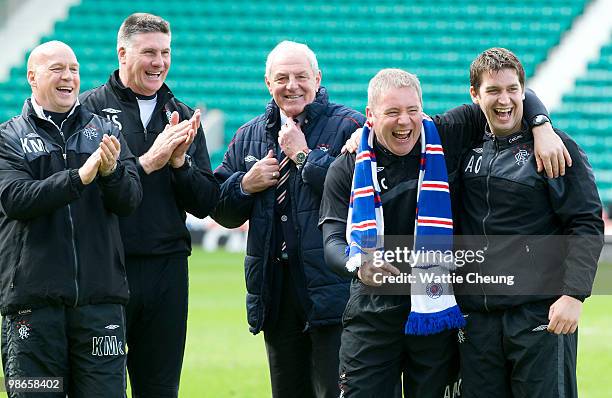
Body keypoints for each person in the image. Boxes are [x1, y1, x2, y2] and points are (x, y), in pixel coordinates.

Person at [319, 68, 568, 398]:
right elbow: (332, 239)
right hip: (373, 311)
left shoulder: (446, 133)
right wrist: (358, 264)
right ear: (370, 115)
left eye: (412, 110)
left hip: (438, 310)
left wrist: (542, 125)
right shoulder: (348, 166)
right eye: (392, 112)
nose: (405, 122)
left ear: (422, 109)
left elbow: (508, 95)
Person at [211, 40, 366, 398]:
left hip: (333, 290)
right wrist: (243, 186)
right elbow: (220, 208)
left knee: (338, 391)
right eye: (282, 77)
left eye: (301, 76)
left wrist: (303, 157)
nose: (292, 85)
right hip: (277, 294)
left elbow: (360, 195)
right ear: (268, 82)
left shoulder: (349, 126)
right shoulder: (249, 135)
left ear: (318, 78)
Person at [79, 13, 220, 398]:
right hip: (106, 268)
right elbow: (81, 192)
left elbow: (204, 202)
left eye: (165, 52)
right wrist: (149, 160)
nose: (159, 62)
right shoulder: (87, 112)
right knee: (100, 388)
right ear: (122, 53)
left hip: (166, 271)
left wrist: (180, 165)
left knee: (160, 388)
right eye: (149, 52)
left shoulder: (184, 116)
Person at [455, 47, 604, 398]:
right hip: (477, 320)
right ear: (475, 95)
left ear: (524, 91)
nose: (504, 100)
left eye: (512, 89)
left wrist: (573, 295)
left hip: (538, 314)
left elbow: (585, 223)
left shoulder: (556, 148)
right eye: (493, 91)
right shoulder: (464, 147)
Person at [0, 40, 142, 397]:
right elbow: (16, 199)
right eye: (57, 69)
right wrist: (80, 177)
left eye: (74, 69)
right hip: (32, 309)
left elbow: (129, 201)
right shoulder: (8, 137)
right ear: (32, 77)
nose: (69, 77)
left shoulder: (106, 132)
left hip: (99, 306)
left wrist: (109, 174)